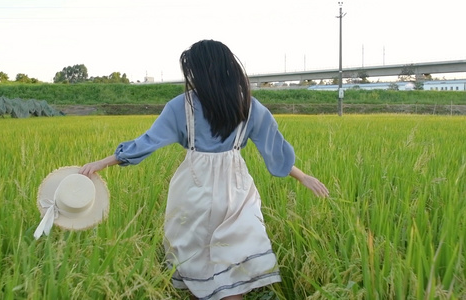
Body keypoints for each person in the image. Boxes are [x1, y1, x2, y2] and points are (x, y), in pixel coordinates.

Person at [79, 39, 329, 300]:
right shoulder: (249, 106)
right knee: (233, 273)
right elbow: (274, 151)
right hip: (236, 193)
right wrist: (302, 176)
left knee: (198, 269)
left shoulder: (180, 106)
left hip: (193, 193)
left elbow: (147, 142)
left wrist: (102, 163)